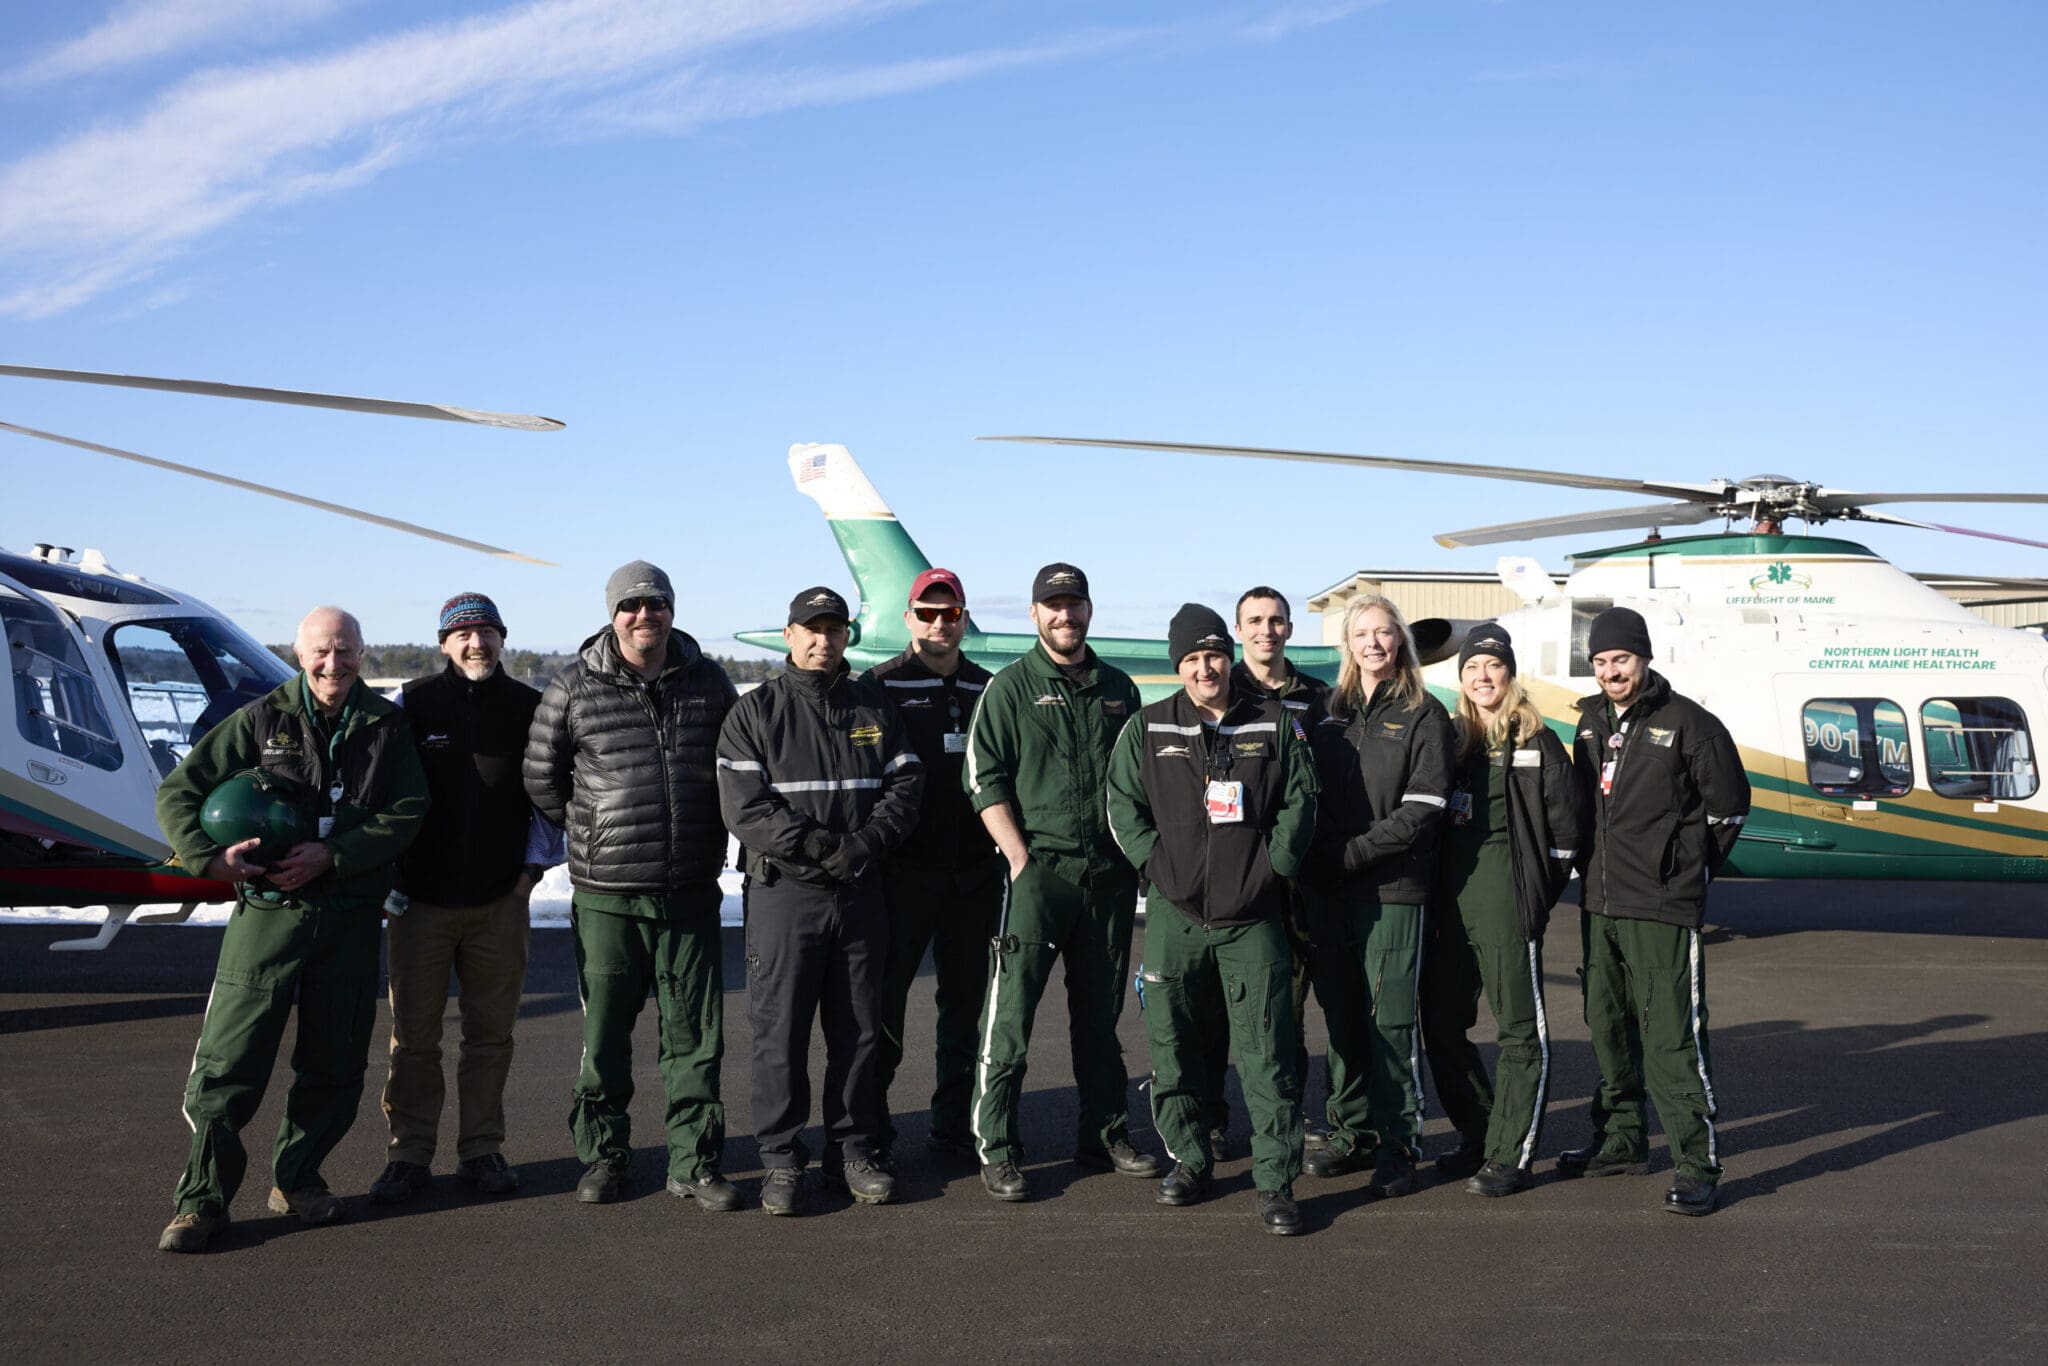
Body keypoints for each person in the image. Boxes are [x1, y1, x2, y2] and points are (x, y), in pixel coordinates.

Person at [155, 606, 429, 1253]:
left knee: (334, 1061)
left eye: (347, 650)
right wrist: (209, 859)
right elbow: (178, 792)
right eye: (322, 652)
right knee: (230, 1064)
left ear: (363, 652)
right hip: (268, 916)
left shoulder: (387, 727)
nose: (335, 664)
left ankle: (299, 1179)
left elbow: (409, 809)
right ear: (300, 653)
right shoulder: (261, 719)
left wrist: (337, 853)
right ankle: (202, 1201)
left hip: (349, 916)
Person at [524, 562, 740, 1211]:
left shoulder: (710, 683)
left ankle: (695, 1163)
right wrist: (590, 828)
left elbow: (734, 766)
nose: (644, 616)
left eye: (656, 604)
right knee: (607, 1038)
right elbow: (542, 776)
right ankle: (604, 1157)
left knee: (695, 1038)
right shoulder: (573, 686)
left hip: (691, 890)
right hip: (607, 895)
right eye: (632, 606)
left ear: (672, 610)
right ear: (613, 613)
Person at [1106, 604, 1318, 1234]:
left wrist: (1272, 869)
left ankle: (1276, 1180)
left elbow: (1301, 803)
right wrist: (1158, 868)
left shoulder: (1274, 725)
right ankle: (1190, 1159)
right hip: (1176, 916)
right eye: (1193, 659)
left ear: (1229, 659)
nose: (1205, 668)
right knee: (1175, 1048)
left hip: (1253, 917)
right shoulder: (1147, 728)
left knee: (1267, 1051)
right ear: (1180, 666)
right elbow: (1122, 804)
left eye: (1214, 656)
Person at [717, 586, 924, 1215]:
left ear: (846, 639)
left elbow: (906, 784)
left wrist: (864, 845)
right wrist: (817, 847)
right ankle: (782, 1162)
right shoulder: (755, 713)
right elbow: (745, 807)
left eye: (833, 630)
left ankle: (853, 1153)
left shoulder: (874, 706)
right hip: (787, 895)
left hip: (861, 893)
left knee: (860, 1031)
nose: (822, 640)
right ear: (789, 635)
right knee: (778, 1036)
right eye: (810, 629)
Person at [964, 562, 1162, 1201]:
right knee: (1010, 1018)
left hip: (1105, 879)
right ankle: (997, 1147)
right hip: (1038, 877)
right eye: (1052, 605)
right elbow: (983, 778)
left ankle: (1103, 1136)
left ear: (1088, 611)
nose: (1064, 615)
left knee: (1099, 1021)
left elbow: (1140, 781)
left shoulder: (1118, 689)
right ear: (1034, 614)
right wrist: (1019, 859)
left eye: (1073, 604)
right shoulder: (1011, 687)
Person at [371, 592, 563, 1205]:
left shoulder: (530, 707)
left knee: (490, 1037)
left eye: (486, 632)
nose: (475, 643)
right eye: (463, 634)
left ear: (503, 638)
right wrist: (387, 874)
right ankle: (408, 1155)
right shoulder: (411, 703)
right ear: (444, 643)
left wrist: (529, 874)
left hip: (498, 904)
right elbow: (377, 792)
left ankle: (481, 1150)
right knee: (414, 1037)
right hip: (420, 904)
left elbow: (551, 797)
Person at [1561, 606, 1748, 1216]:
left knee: (1671, 1035)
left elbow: (1729, 811)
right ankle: (1621, 1139)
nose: (1611, 671)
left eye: (1621, 659)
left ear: (1643, 657)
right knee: (1608, 1025)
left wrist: (1684, 870)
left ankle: (1698, 1163)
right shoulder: (1588, 724)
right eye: (1601, 662)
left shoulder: (1692, 724)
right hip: (1600, 901)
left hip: (1663, 905)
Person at [1298, 595, 1453, 1198]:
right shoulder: (1328, 713)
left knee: (1388, 1021)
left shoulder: (1425, 715)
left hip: (1391, 888)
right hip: (1328, 889)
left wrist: (1356, 853)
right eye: (1362, 633)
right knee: (1341, 1018)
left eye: (1384, 633)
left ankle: (1398, 1144)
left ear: (1401, 643)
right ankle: (1352, 1131)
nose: (1373, 643)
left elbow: (1425, 805)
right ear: (1348, 644)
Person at [1418, 624, 1580, 1197]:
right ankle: (1480, 1132)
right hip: (1450, 907)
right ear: (1460, 679)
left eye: (1493, 666)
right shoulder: (1452, 741)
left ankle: (1512, 1153)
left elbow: (1565, 837)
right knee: (1438, 1025)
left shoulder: (1539, 743)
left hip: (1508, 905)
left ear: (1510, 674)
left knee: (1518, 1032)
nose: (1482, 677)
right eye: (1472, 669)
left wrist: (1535, 896)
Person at [861, 569, 1003, 1163]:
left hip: (973, 874)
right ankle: (870, 1134)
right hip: (901, 876)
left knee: (964, 1008)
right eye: (927, 612)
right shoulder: (877, 686)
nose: (939, 623)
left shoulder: (989, 688)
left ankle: (952, 1126)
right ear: (908, 618)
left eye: (950, 613)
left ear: (965, 618)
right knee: (881, 1007)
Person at [1222, 586, 1333, 1153]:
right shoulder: (1220, 689)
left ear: (1290, 628)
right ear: (1239, 629)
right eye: (1255, 621)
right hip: (1234, 870)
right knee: (1221, 1005)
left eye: (1276, 621)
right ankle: (1216, 1118)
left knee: (1288, 1005)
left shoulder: (1318, 696)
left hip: (1302, 874)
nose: (1266, 630)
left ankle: (1289, 1114)